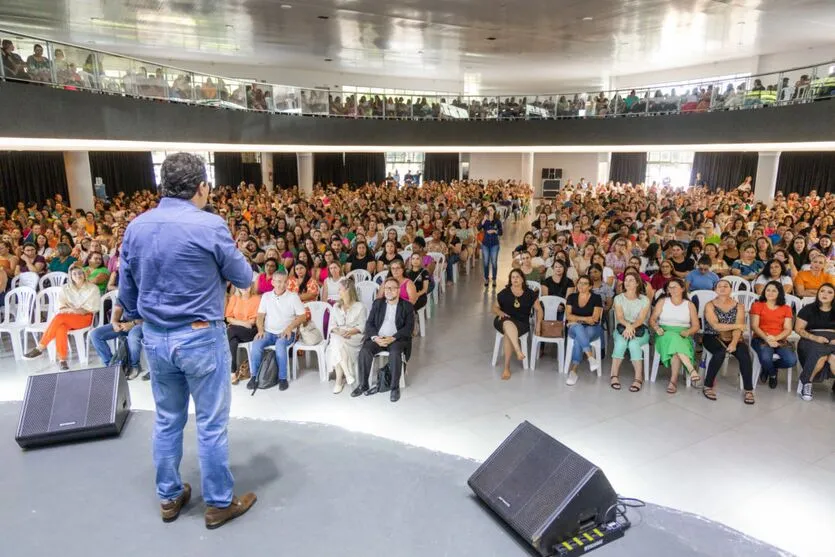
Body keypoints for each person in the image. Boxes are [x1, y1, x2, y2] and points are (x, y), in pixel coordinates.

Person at [118, 153, 257, 529]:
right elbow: (243, 277)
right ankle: (218, 504)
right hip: (199, 336)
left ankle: (169, 496)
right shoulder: (210, 225)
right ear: (201, 187)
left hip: (155, 338)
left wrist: (141, 312)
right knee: (210, 424)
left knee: (167, 420)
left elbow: (126, 292)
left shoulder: (137, 226)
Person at [24, 264, 100, 371]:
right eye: (74, 274)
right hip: (68, 317)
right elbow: (61, 305)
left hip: (85, 318)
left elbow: (92, 308)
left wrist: (75, 309)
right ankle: (62, 360)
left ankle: (40, 347)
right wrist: (73, 309)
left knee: (59, 318)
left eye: (80, 273)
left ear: (84, 274)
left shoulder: (93, 288)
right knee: (61, 327)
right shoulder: (65, 288)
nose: (78, 275)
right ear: (71, 276)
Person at [352, 276, 415, 402]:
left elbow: (409, 328)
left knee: (396, 353)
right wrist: (375, 337)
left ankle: (394, 387)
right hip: (378, 338)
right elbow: (369, 324)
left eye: (392, 288)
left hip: (396, 339)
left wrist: (393, 338)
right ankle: (363, 384)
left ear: (398, 290)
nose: (388, 291)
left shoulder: (407, 306)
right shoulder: (378, 303)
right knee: (365, 351)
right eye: (386, 288)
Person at [248, 271, 308, 391]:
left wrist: (289, 328)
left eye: (285, 282)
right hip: (269, 332)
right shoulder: (266, 296)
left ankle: (282, 378)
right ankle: (254, 377)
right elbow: (260, 315)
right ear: (272, 282)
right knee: (256, 344)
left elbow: (303, 316)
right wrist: (260, 330)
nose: (282, 284)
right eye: (279, 281)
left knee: (280, 345)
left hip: (286, 332)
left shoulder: (293, 297)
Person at [702, 280, 754, 404]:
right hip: (712, 336)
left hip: (733, 337)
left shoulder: (739, 306)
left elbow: (738, 329)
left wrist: (734, 343)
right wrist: (737, 325)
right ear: (715, 290)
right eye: (719, 286)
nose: (722, 288)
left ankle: (748, 390)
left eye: (726, 286)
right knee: (719, 353)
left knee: (744, 354)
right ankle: (707, 385)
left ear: (731, 289)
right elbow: (715, 326)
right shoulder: (709, 305)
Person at [649, 278, 700, 394]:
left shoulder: (689, 304)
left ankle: (673, 381)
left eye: (675, 286)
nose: (672, 289)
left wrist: (688, 332)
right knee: (673, 338)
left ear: (682, 289)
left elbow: (696, 326)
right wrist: (656, 328)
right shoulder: (663, 301)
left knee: (676, 350)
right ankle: (691, 369)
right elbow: (652, 319)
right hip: (664, 333)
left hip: (683, 334)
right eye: (670, 287)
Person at [492, 268, 542, 380]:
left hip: (521, 323)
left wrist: (538, 324)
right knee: (507, 322)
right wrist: (500, 312)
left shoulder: (530, 294)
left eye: (517, 277)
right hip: (503, 319)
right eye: (513, 277)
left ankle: (507, 368)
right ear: (510, 279)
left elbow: (539, 310)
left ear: (522, 279)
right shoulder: (504, 293)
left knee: (507, 334)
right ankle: (517, 350)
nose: (515, 279)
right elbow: (494, 307)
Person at [750, 281, 797, 389]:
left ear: (779, 293)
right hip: (761, 338)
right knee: (766, 358)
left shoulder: (786, 308)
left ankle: (768, 368)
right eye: (768, 290)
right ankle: (772, 374)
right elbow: (755, 326)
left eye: (774, 290)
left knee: (791, 360)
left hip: (780, 340)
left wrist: (775, 338)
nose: (770, 293)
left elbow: (788, 329)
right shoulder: (757, 305)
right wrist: (767, 339)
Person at [325, 277, 368, 394]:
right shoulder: (336, 306)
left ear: (348, 290)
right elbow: (332, 326)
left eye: (340, 289)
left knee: (335, 344)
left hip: (354, 337)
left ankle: (340, 381)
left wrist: (350, 332)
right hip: (339, 335)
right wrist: (339, 332)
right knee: (337, 342)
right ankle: (346, 375)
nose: (338, 292)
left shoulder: (360, 306)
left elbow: (362, 326)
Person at [794, 283, 835, 401]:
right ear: (818, 293)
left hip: (833, 340)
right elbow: (798, 329)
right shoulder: (808, 309)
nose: (825, 294)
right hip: (811, 338)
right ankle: (807, 383)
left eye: (830, 292)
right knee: (820, 356)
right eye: (822, 291)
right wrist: (815, 338)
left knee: (833, 358)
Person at [610, 274, 650, 392]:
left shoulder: (644, 299)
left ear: (637, 283)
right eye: (626, 280)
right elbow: (620, 317)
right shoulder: (618, 298)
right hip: (622, 328)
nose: (627, 282)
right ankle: (614, 375)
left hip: (639, 329)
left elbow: (641, 319)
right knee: (621, 343)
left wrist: (631, 327)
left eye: (631, 280)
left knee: (633, 344)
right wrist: (628, 326)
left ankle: (638, 377)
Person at [89, 297, 145, 380]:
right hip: (125, 323)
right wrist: (114, 321)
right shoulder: (125, 288)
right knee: (95, 334)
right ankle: (112, 367)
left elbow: (151, 316)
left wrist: (133, 323)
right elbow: (118, 308)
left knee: (133, 336)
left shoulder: (146, 287)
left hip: (141, 324)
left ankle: (135, 366)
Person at [565, 275, 603, 386]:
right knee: (578, 328)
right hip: (574, 328)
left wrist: (576, 319)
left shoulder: (596, 298)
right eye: (579, 283)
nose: (581, 285)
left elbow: (595, 319)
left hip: (592, 328)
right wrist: (586, 319)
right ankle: (590, 357)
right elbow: (568, 316)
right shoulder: (571, 297)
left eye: (585, 283)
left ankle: (573, 371)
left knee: (578, 338)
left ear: (590, 286)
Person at [225, 283, 261, 384]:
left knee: (229, 331)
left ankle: (226, 369)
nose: (244, 287)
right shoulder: (234, 298)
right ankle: (233, 372)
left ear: (251, 286)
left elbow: (253, 322)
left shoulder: (256, 299)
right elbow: (228, 318)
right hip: (237, 330)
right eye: (241, 284)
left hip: (251, 331)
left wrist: (236, 322)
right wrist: (243, 323)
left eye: (247, 285)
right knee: (232, 341)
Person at [478, 205, 503, 288]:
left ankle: (494, 278)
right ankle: (486, 278)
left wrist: (494, 231)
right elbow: (478, 228)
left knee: (494, 262)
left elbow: (501, 232)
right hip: (485, 244)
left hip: (494, 245)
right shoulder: (484, 220)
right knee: (485, 263)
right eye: (488, 210)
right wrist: (483, 220)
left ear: (494, 211)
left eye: (491, 210)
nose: (489, 212)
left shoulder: (497, 221)